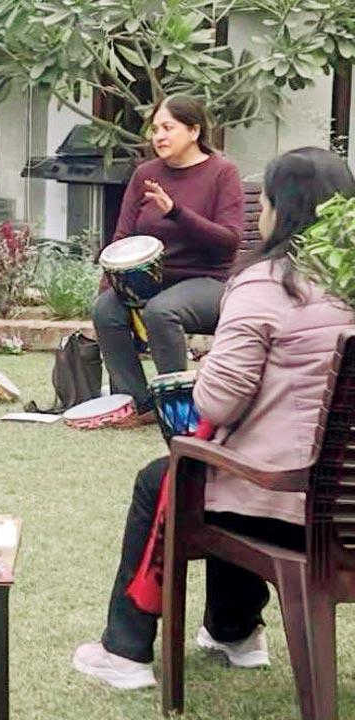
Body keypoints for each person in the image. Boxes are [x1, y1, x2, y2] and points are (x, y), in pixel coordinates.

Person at [73, 147, 355, 688]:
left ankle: (126, 651)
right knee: (233, 460)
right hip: (343, 506)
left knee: (180, 473)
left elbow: (219, 404)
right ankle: (233, 630)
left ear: (281, 210)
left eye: (265, 201)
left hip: (293, 504)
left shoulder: (269, 282)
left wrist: (206, 375)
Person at [93, 95, 245, 425]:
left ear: (194, 130)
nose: (159, 136)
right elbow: (122, 237)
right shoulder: (146, 174)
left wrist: (176, 212)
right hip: (151, 281)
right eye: (155, 129)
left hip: (207, 280)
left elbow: (228, 243)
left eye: (168, 128)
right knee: (106, 310)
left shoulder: (222, 172)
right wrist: (107, 287)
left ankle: (177, 407)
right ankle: (141, 404)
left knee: (161, 311)